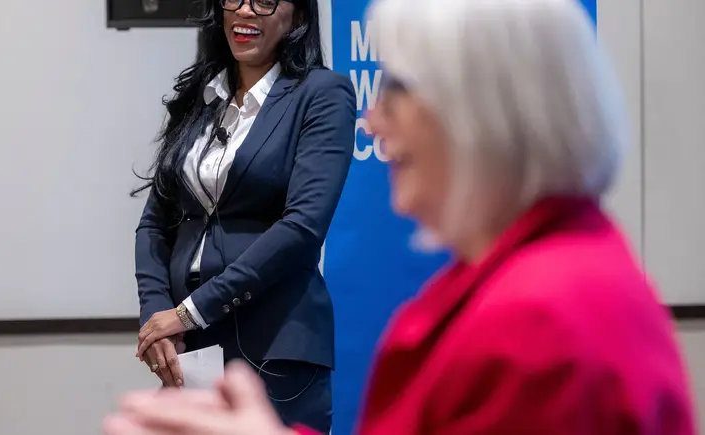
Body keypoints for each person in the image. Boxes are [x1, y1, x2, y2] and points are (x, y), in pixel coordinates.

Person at [106, 0, 697, 434]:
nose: (374, 121)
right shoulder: (518, 286)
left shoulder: (546, 320)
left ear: (489, 109)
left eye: (400, 88)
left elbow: (301, 226)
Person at [130, 0, 355, 432]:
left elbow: (301, 229)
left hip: (274, 344)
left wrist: (189, 311)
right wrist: (156, 319)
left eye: (265, 0)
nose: (245, 11)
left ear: (300, 16)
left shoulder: (322, 94)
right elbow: (155, 222)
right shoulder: (202, 96)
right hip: (192, 350)